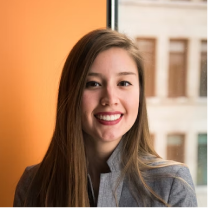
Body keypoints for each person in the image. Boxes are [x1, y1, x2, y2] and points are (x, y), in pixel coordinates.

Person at [13, 29, 198, 208]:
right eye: (93, 83)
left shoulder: (173, 184)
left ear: (140, 94)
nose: (110, 99)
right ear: (71, 94)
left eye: (123, 83)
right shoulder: (33, 185)